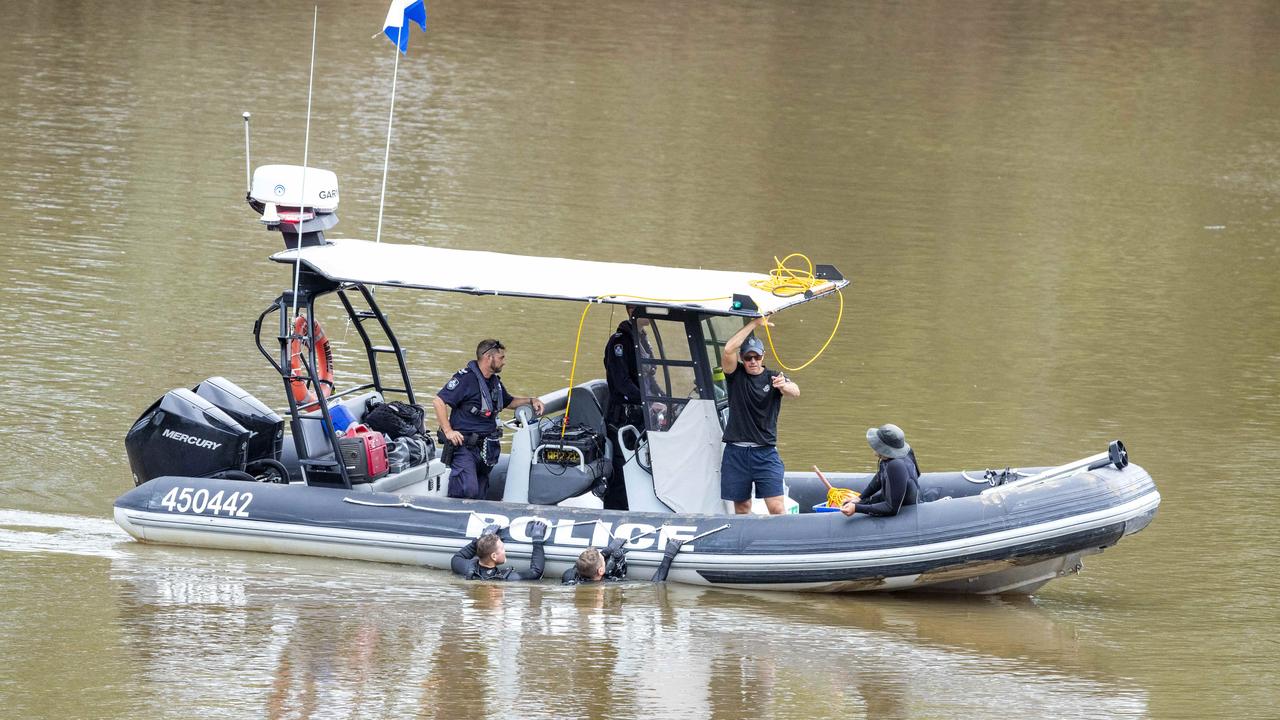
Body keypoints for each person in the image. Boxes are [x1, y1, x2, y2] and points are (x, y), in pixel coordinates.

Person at [433, 339, 545, 499]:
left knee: (481, 490)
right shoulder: (465, 379)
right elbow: (438, 401)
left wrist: (531, 400)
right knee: (467, 490)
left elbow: (509, 401)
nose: (504, 362)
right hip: (465, 447)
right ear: (488, 357)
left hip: (487, 448)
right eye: (501, 358)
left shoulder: (494, 382)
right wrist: (448, 431)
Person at [720, 317, 800, 515]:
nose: (753, 361)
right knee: (742, 507)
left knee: (776, 506)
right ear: (742, 358)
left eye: (756, 357)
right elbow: (728, 349)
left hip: (764, 452)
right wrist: (754, 324)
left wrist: (784, 386)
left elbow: (795, 391)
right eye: (748, 358)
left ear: (763, 356)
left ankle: (782, 542)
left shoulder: (774, 376)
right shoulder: (735, 375)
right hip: (736, 452)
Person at [601, 307, 662, 510]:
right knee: (622, 469)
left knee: (643, 464)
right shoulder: (619, 342)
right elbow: (621, 382)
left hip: (641, 416)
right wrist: (649, 402)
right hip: (623, 419)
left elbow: (648, 378)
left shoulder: (642, 338)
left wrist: (663, 398)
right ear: (632, 310)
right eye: (645, 308)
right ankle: (616, 512)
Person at [841, 424, 920, 517]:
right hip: (891, 498)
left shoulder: (895, 466)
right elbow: (880, 475)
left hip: (904, 512)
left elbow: (891, 508)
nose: (875, 453)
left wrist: (856, 508)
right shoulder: (906, 452)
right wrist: (860, 498)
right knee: (849, 504)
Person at [562, 536, 685, 585]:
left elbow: (582, 563)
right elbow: (654, 586)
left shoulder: (569, 577)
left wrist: (608, 551)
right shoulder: (610, 584)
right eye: (603, 560)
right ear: (600, 571)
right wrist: (668, 556)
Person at [451, 521, 548, 581]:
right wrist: (537, 541)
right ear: (494, 556)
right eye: (502, 548)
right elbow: (536, 572)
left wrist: (481, 538)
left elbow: (457, 558)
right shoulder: (504, 578)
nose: (504, 550)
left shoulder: (466, 568)